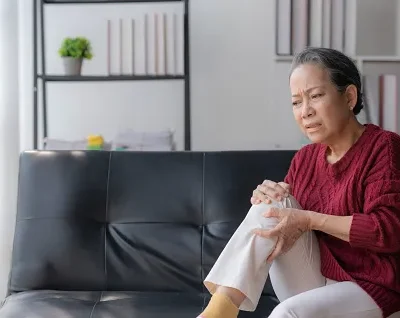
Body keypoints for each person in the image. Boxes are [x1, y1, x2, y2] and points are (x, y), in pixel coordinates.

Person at [196, 47, 400, 318]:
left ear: (349, 97)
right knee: (271, 205)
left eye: (315, 96)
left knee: (286, 313)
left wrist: (308, 219)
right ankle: (220, 310)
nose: (305, 111)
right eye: (296, 102)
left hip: (374, 287)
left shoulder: (383, 147)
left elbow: (387, 231)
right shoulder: (305, 158)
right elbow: (286, 218)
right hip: (318, 278)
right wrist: (266, 197)